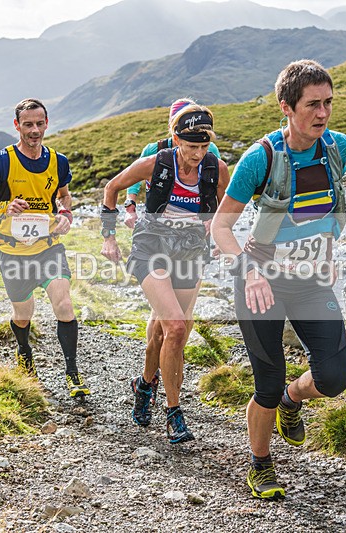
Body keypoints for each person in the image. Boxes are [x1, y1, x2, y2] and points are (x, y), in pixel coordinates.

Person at [212, 59, 346, 500]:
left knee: (333, 378)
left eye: (328, 103)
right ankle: (260, 464)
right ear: (286, 108)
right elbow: (220, 227)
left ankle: (293, 400)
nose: (323, 113)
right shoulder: (261, 158)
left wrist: (327, 255)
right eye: (312, 104)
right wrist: (249, 271)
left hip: (311, 281)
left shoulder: (339, 148)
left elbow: (323, 213)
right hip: (262, 281)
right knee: (267, 385)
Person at [101, 103, 229, 444]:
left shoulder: (216, 168)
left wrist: (217, 233)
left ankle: (144, 384)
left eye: (204, 146)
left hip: (190, 250)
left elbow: (226, 209)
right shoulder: (155, 163)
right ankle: (174, 414)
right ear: (176, 139)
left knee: (169, 333)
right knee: (175, 326)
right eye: (191, 147)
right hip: (152, 247)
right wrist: (108, 236)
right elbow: (112, 188)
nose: (198, 154)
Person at [0, 98, 89, 398]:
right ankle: (24, 351)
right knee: (23, 313)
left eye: (39, 124)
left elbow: (63, 196)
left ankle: (73, 373)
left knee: (64, 304)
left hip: (48, 246)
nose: (34, 130)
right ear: (17, 125)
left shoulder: (58, 161)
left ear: (47, 124)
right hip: (12, 250)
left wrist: (65, 214)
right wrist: (3, 207)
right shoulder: (1, 161)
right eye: (28, 124)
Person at [123, 98, 221, 229]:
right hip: (158, 220)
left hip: (198, 223)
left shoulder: (211, 149)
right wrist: (130, 208)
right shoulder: (153, 150)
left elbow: (219, 184)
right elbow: (133, 180)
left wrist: (216, 221)